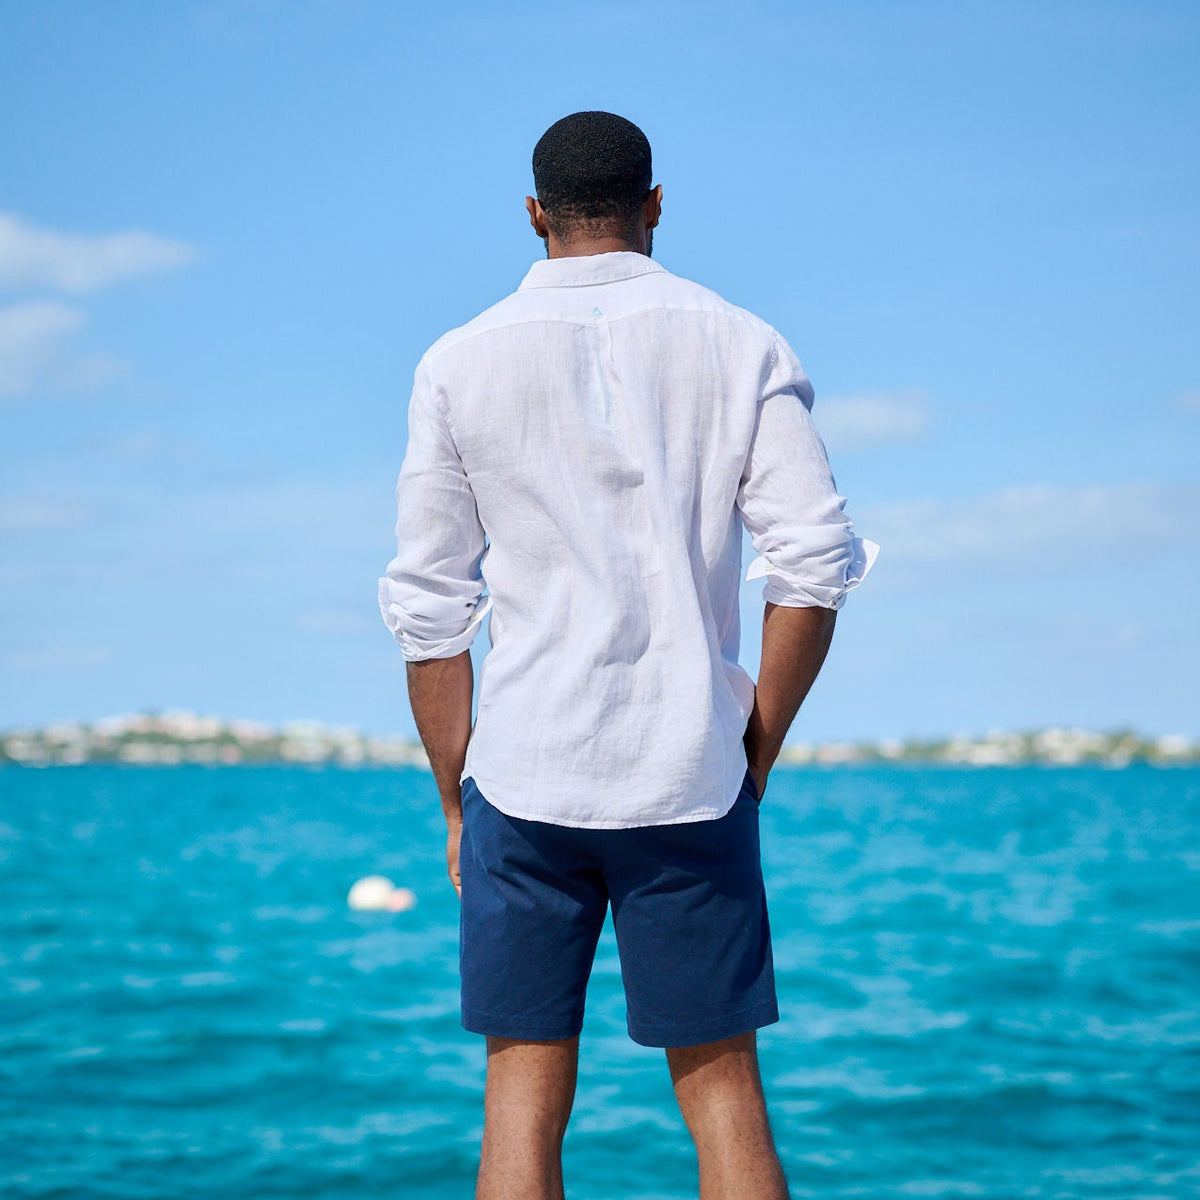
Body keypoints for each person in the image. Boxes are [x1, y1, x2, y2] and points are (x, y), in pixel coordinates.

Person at [378, 110, 878, 1200]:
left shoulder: (457, 362)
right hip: (690, 772)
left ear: (533, 216)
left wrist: (457, 801)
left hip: (524, 771)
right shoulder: (743, 341)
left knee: (519, 1102)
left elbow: (429, 607)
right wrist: (757, 748)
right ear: (655, 206)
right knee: (726, 1104)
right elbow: (814, 566)